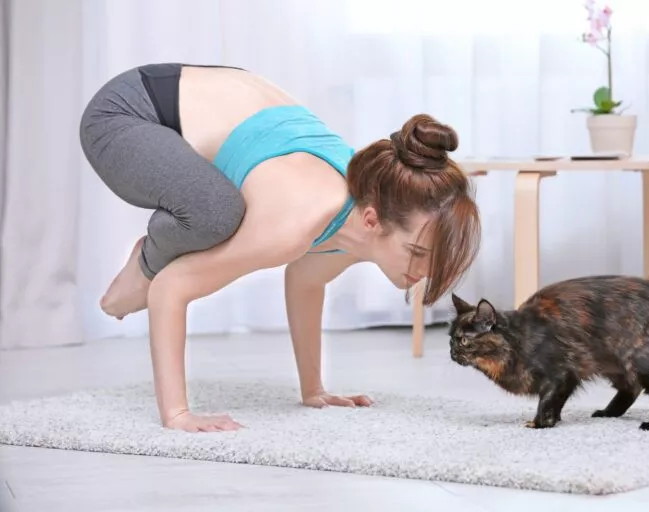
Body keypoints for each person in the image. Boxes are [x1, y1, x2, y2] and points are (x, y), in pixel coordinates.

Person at [79, 63, 481, 433]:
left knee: (218, 208)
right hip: (126, 114)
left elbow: (306, 282)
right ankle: (145, 260)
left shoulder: (361, 217)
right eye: (417, 253)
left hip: (196, 102)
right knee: (217, 214)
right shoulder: (296, 221)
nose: (423, 273)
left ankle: (157, 250)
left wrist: (314, 390)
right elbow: (171, 287)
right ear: (374, 221)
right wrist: (177, 413)